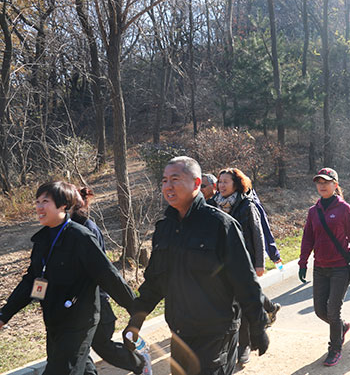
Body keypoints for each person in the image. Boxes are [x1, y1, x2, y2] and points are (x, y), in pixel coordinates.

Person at [123, 156, 269, 375]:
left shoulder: (220, 225)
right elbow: (155, 281)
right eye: (164, 180)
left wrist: (258, 326)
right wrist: (136, 320)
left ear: (197, 183)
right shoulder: (164, 229)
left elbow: (244, 280)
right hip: (180, 332)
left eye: (175, 179)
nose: (168, 186)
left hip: (216, 333)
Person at [0, 181, 136, 375]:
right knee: (80, 368)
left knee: (61, 370)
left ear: (63, 205)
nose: (39, 207)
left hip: (78, 320)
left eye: (45, 201)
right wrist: (4, 314)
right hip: (54, 319)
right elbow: (31, 281)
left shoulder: (81, 237)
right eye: (37, 201)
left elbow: (108, 275)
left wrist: (136, 309)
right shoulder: (42, 240)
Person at [70, 186, 152, 374]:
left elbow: (104, 270)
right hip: (75, 303)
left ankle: (140, 362)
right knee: (77, 348)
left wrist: (133, 305)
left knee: (102, 346)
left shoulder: (87, 229)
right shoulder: (60, 231)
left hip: (96, 299)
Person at [298, 168, 350, 367]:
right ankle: (341, 327)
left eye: (326, 182)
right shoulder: (313, 211)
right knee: (320, 310)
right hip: (320, 267)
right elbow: (307, 238)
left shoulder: (344, 209)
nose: (322, 186)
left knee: (333, 310)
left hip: (340, 267)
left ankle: (335, 348)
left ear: (335, 185)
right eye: (319, 182)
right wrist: (303, 263)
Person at [214, 167, 281, 365]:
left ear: (236, 184)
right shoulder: (214, 204)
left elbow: (257, 234)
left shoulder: (246, 205)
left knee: (242, 304)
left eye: (225, 182)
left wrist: (260, 263)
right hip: (221, 265)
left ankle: (244, 345)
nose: (221, 185)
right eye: (220, 182)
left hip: (245, 262)